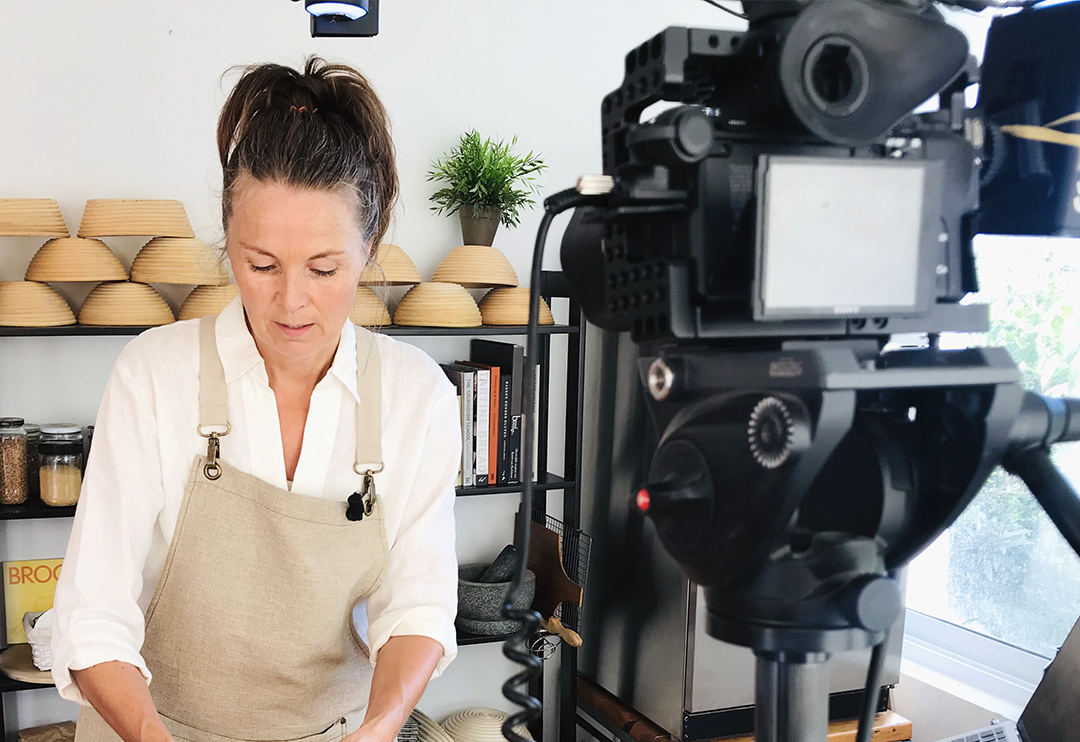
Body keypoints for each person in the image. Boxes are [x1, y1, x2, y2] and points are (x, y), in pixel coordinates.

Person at [51, 58, 461, 742]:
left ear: (371, 246)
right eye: (261, 264)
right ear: (228, 245)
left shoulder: (416, 396)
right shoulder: (154, 372)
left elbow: (417, 605)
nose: (291, 301)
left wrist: (382, 725)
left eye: (324, 268)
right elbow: (91, 613)